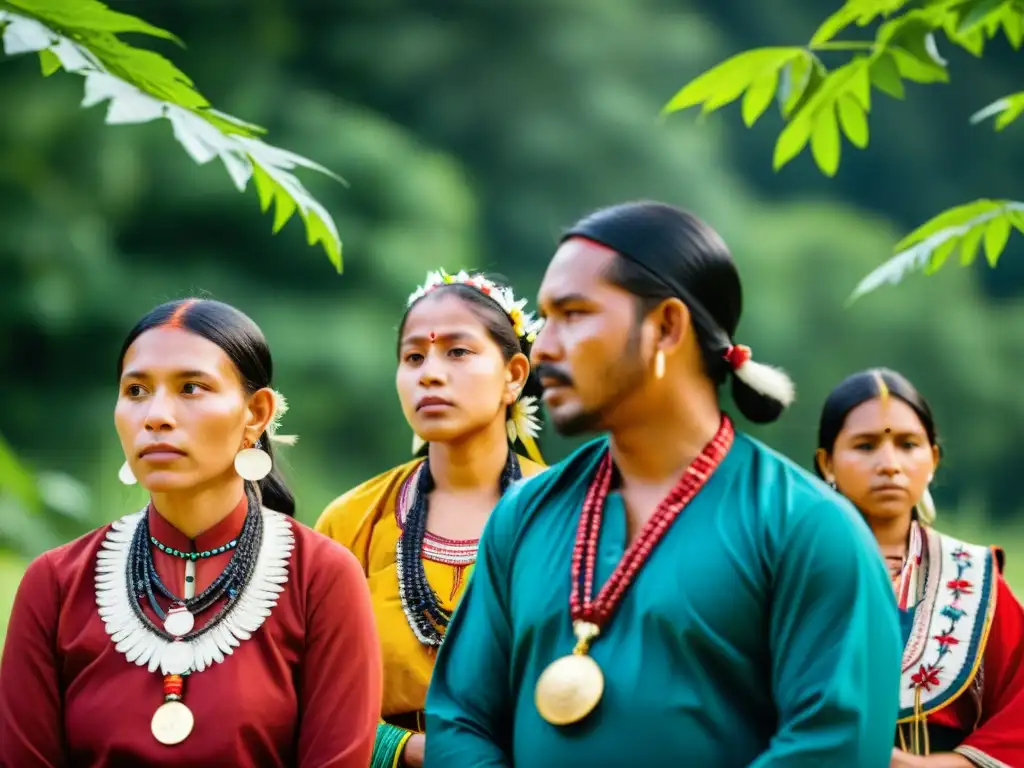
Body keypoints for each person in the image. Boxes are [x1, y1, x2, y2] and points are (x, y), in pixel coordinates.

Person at [424, 201, 903, 767]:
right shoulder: (524, 514)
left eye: (574, 314)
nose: (544, 346)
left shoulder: (809, 529)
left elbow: (833, 746)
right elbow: (460, 718)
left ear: (667, 327)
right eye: (546, 318)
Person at [0, 298, 382, 767]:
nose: (156, 415)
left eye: (191, 388)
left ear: (256, 413)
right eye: (136, 390)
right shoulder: (56, 585)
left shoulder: (319, 579)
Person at [316, 269, 547, 768]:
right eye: (414, 356)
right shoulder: (352, 521)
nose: (431, 373)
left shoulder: (569, 513)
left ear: (514, 375)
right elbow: (312, 696)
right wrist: (408, 750)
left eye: (457, 352)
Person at [816, 368, 1024, 768]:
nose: (889, 463)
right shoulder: (790, 573)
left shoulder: (975, 577)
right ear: (827, 463)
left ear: (933, 458)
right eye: (865, 445)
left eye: (908, 444)